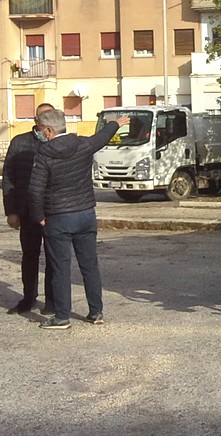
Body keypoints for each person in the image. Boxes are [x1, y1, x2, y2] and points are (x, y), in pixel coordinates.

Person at [28, 109, 129, 330]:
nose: (40, 133)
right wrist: (116, 124)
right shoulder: (82, 144)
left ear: (48, 130)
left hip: (58, 217)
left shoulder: (44, 154)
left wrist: (39, 217)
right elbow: (100, 139)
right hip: (85, 214)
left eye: (41, 129)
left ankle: (62, 316)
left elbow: (35, 191)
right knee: (90, 265)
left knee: (60, 268)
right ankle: (96, 311)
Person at [2, 103, 56, 314]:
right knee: (30, 256)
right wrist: (11, 211)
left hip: (52, 211)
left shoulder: (58, 142)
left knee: (53, 258)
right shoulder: (20, 142)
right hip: (27, 211)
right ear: (36, 121)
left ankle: (52, 301)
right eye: (43, 118)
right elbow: (8, 178)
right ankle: (28, 298)